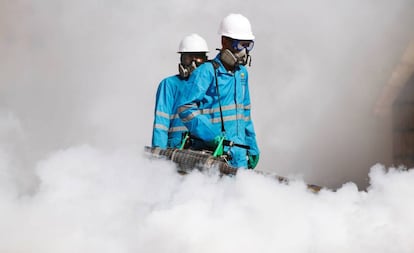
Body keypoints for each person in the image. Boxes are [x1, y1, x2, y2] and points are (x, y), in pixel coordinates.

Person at [177, 13, 260, 169]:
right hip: (213, 155)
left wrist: (252, 145)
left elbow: (245, 113)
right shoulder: (206, 72)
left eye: (248, 45)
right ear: (224, 42)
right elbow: (185, 108)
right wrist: (211, 135)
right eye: (239, 45)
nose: (244, 52)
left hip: (238, 154)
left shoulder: (241, 74)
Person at [151, 34, 209, 149]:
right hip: (176, 150)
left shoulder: (210, 85)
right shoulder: (169, 84)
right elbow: (161, 124)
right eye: (188, 58)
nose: (193, 64)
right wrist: (159, 156)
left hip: (204, 149)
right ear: (181, 59)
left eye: (198, 58)